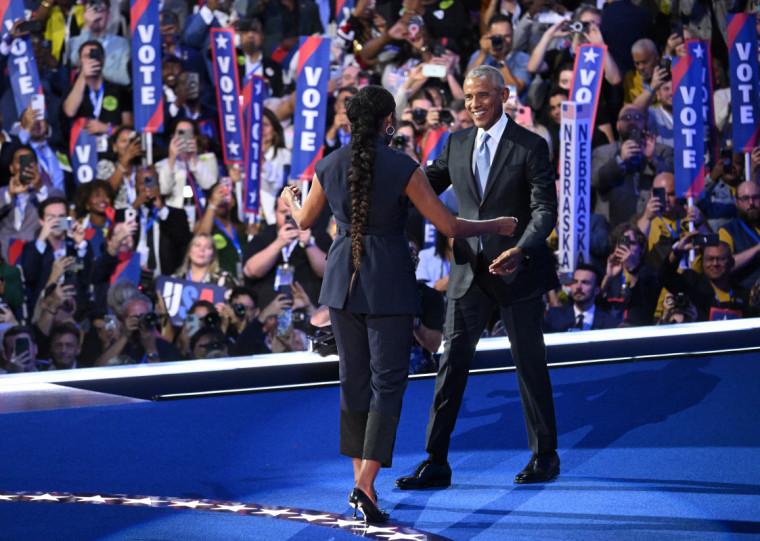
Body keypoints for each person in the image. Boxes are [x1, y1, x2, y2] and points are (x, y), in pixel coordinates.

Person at [279, 84, 517, 523]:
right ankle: (365, 486)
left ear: (351, 123)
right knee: (387, 381)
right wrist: (497, 223)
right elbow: (447, 224)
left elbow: (306, 220)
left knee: (353, 381)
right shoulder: (403, 166)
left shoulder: (328, 164)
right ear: (388, 121)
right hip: (386, 278)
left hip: (340, 283)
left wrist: (290, 201)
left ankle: (361, 486)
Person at [395, 65, 560, 492]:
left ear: (503, 95)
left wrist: (521, 248)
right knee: (450, 366)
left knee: (529, 364)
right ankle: (435, 461)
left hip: (518, 271)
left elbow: (545, 210)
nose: (474, 104)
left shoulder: (531, 145)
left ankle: (545, 455)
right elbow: (422, 187)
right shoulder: (457, 142)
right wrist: (384, 183)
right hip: (468, 273)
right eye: (468, 98)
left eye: (483, 95)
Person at [543, 264, 619, 332]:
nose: (578, 287)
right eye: (575, 282)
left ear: (596, 290)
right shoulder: (554, 317)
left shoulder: (610, 324)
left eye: (585, 282)